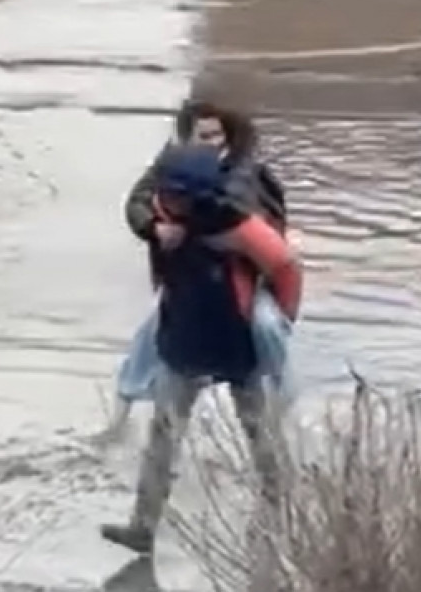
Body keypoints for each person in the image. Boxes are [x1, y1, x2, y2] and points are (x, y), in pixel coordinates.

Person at [100, 143, 304, 554]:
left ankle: (280, 518)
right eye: (166, 194)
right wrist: (158, 231)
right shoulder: (159, 213)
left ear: (199, 196)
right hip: (182, 342)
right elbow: (137, 209)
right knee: (163, 437)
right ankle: (142, 528)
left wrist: (281, 320)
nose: (168, 202)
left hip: (238, 343)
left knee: (260, 434)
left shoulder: (238, 227)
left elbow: (284, 266)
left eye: (177, 197)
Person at [97, 100, 293, 443]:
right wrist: (155, 227)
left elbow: (279, 257)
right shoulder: (170, 169)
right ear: (187, 137)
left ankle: (285, 400)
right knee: (147, 344)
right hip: (187, 302)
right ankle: (119, 421)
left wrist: (206, 226)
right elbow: (137, 203)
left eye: (216, 135)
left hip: (244, 289)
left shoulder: (242, 172)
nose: (210, 142)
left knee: (268, 329)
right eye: (202, 135)